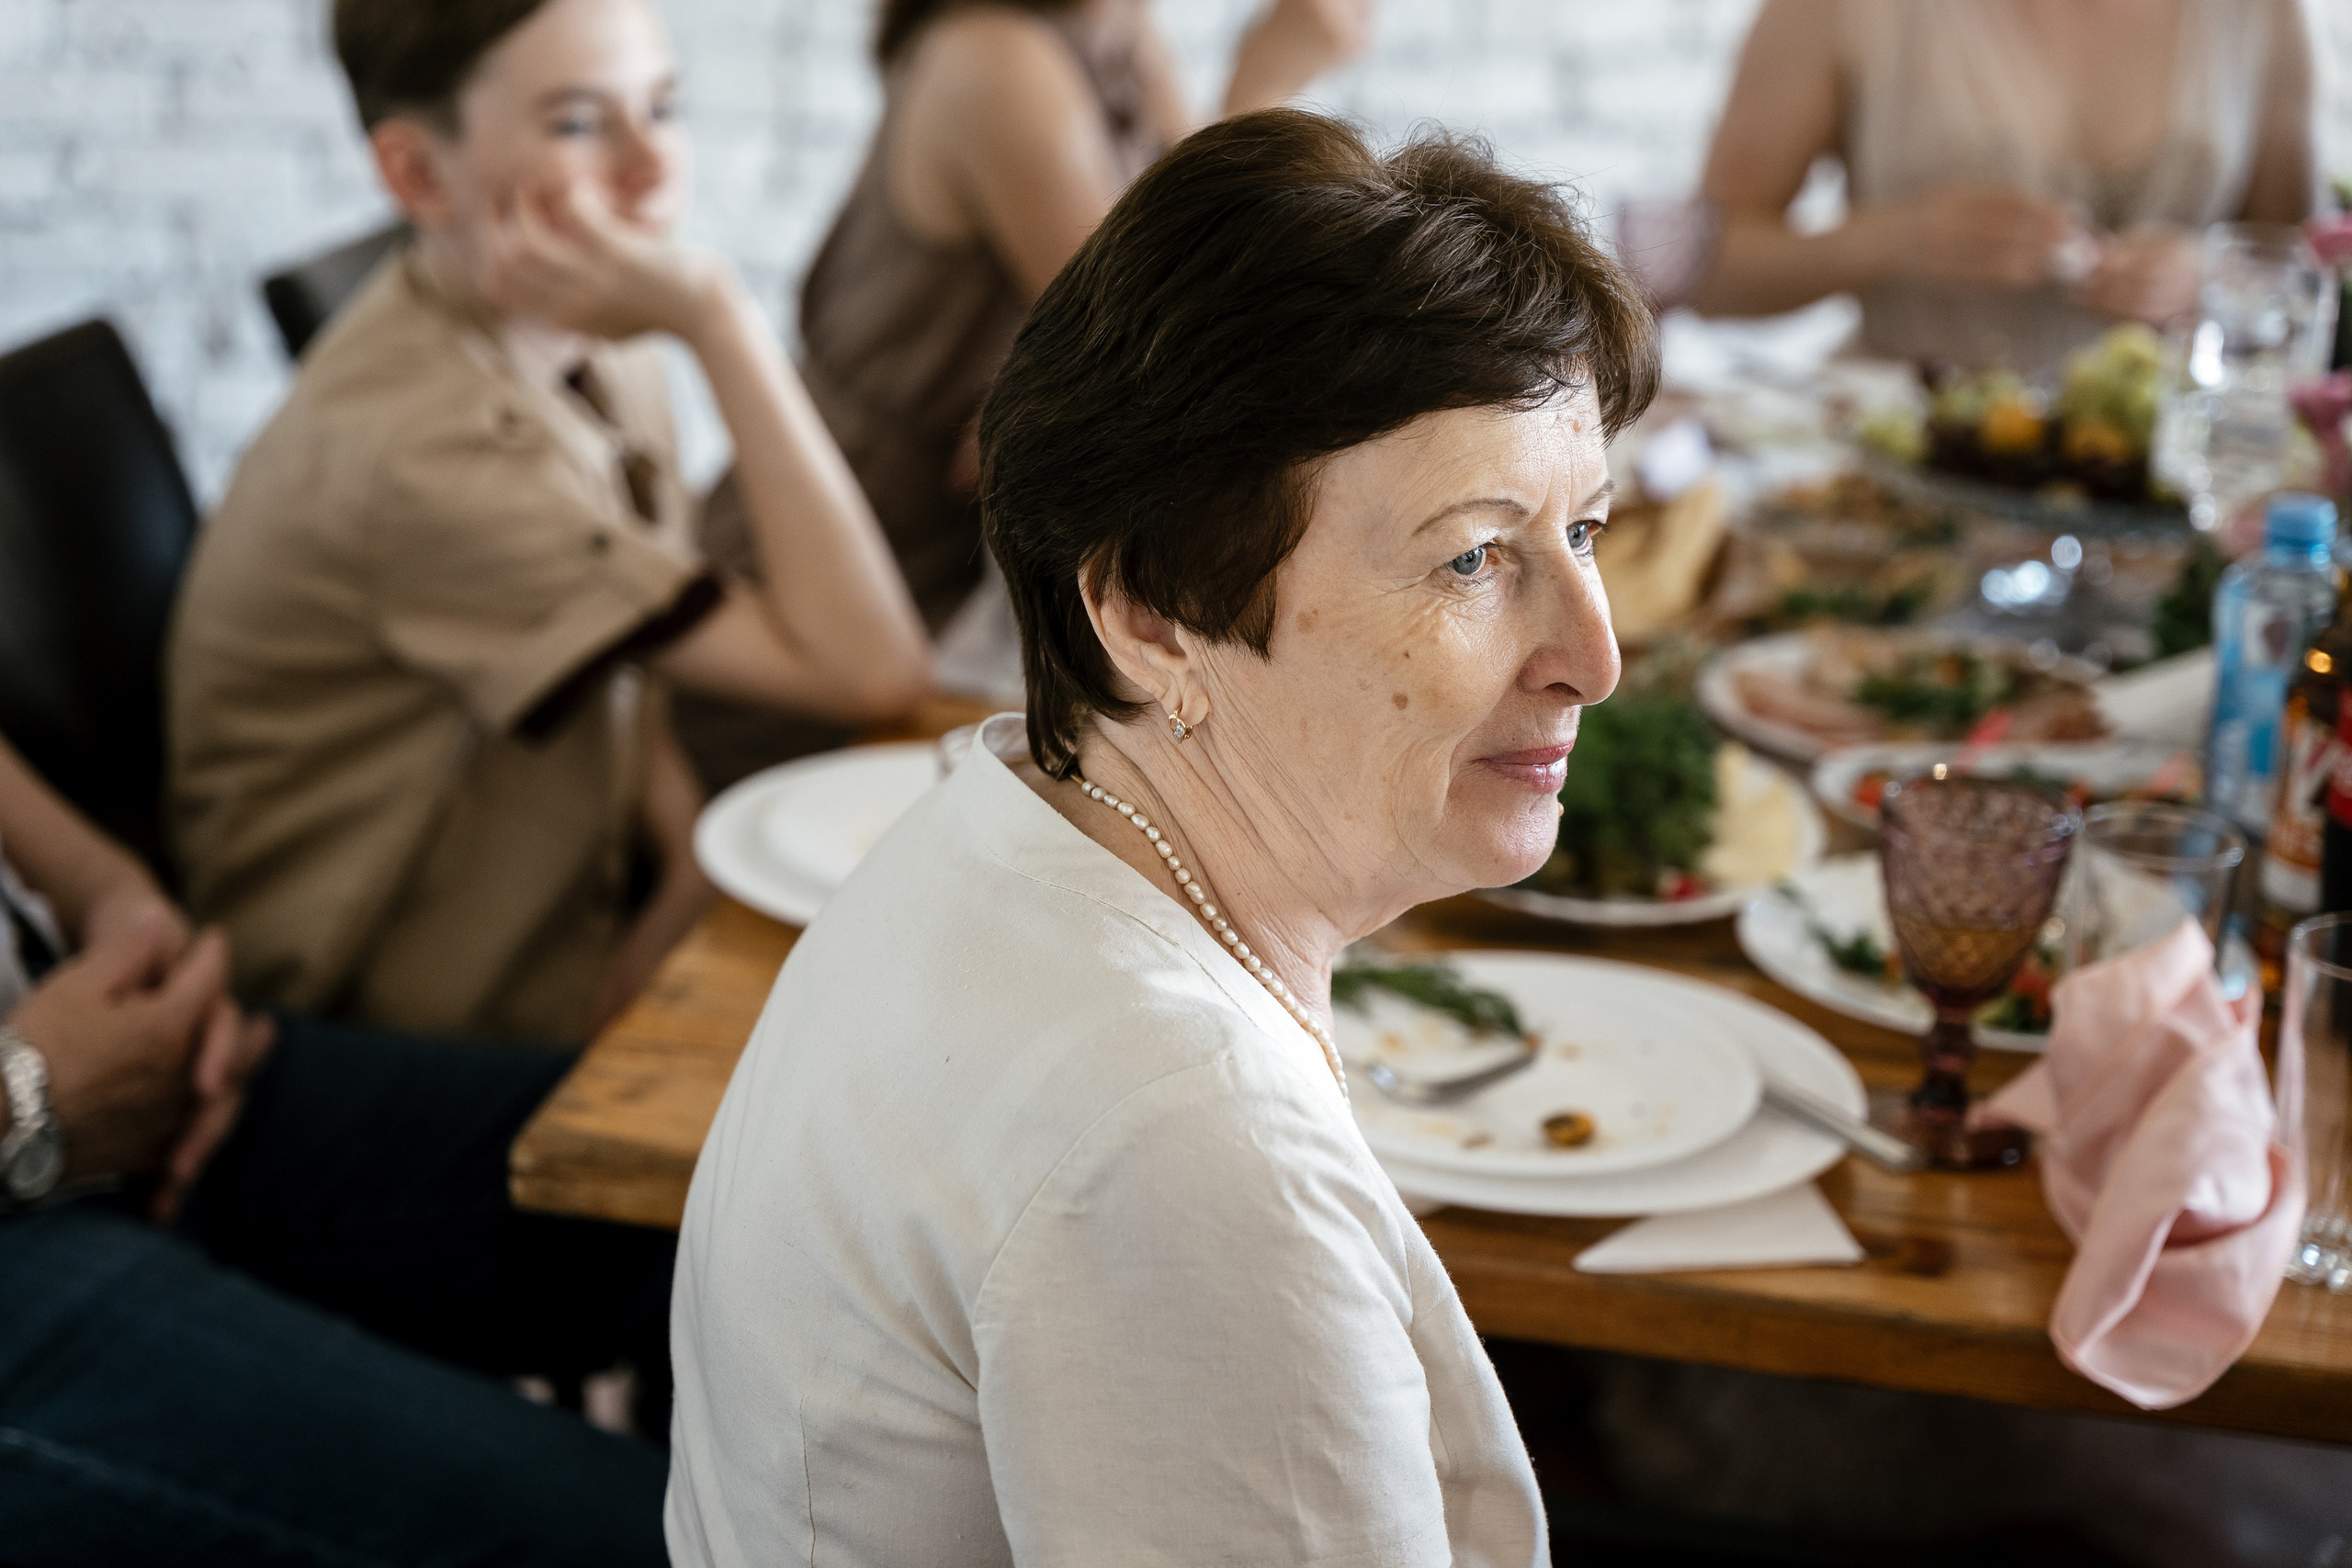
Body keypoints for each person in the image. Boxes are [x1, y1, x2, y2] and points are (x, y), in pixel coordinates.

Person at [665, 109, 1657, 1562]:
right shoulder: (1191, 1153)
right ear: (1149, 610)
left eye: (1585, 532)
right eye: (1472, 554)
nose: (1594, 657)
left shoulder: (1001, 822)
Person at [169, 0, 933, 1045]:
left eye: (662, 106)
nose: (653, 168)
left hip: (572, 908)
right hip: (380, 1025)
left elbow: (625, 644)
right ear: (417, 176)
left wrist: (685, 858)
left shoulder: (590, 336)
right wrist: (719, 316)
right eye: (577, 123)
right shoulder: (432, 457)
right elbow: (877, 671)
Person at [0, 731, 674, 1564]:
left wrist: (122, 912)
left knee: (722, 1188)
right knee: (666, 1538)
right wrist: (30, 1092)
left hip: (70, 1043)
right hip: (33, 1140)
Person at [678, 0, 1369, 788]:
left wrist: (1042, 390)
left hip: (955, 586)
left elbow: (1179, 285)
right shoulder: (999, 62)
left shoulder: (1121, 26)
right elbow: (1175, 346)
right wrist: (1262, 88)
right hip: (838, 582)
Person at [1687, 0, 2317, 367]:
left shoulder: (2259, 14)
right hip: (1904, 469)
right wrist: (1894, 241)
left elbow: (2308, 279)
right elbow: (1700, 268)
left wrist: (2209, 277)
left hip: (2157, 490)